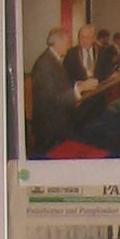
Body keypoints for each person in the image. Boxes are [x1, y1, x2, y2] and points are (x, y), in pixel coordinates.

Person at [27, 25, 88, 155]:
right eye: (67, 42)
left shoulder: (53, 59)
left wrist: (77, 85)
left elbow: (60, 86)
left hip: (58, 122)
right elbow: (53, 98)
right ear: (58, 42)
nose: (69, 46)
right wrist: (79, 90)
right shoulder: (45, 64)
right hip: (50, 128)